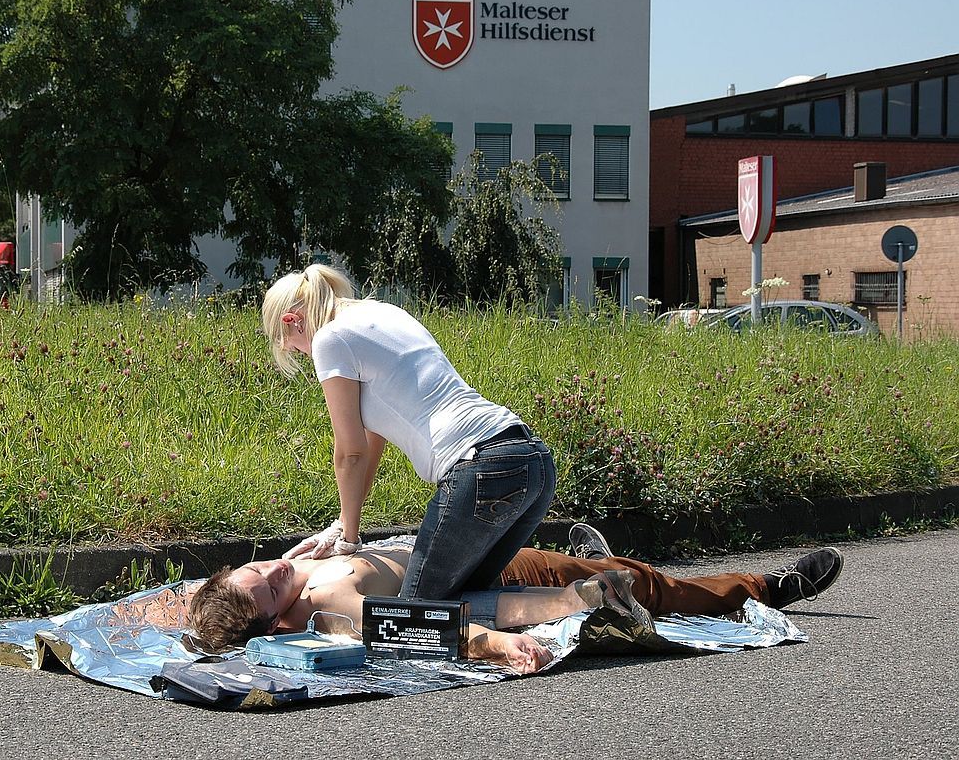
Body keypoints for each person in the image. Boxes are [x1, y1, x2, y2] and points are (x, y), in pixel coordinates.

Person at [260, 264, 556, 601]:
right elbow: (373, 441)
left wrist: (348, 543)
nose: (301, 353)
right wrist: (343, 524)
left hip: (480, 466)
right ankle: (589, 600)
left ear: (292, 321)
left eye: (294, 347)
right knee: (469, 597)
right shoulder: (382, 313)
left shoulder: (330, 338)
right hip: (531, 460)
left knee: (414, 616)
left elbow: (350, 452)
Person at [187, 523, 846, 674]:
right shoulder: (331, 605)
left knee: (599, 566)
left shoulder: (293, 572)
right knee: (645, 585)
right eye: (270, 584)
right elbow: (422, 627)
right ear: (276, 624)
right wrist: (498, 644)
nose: (276, 567)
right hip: (505, 581)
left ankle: (594, 557)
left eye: (257, 565)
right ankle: (766, 587)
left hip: (477, 550)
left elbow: (210, 604)